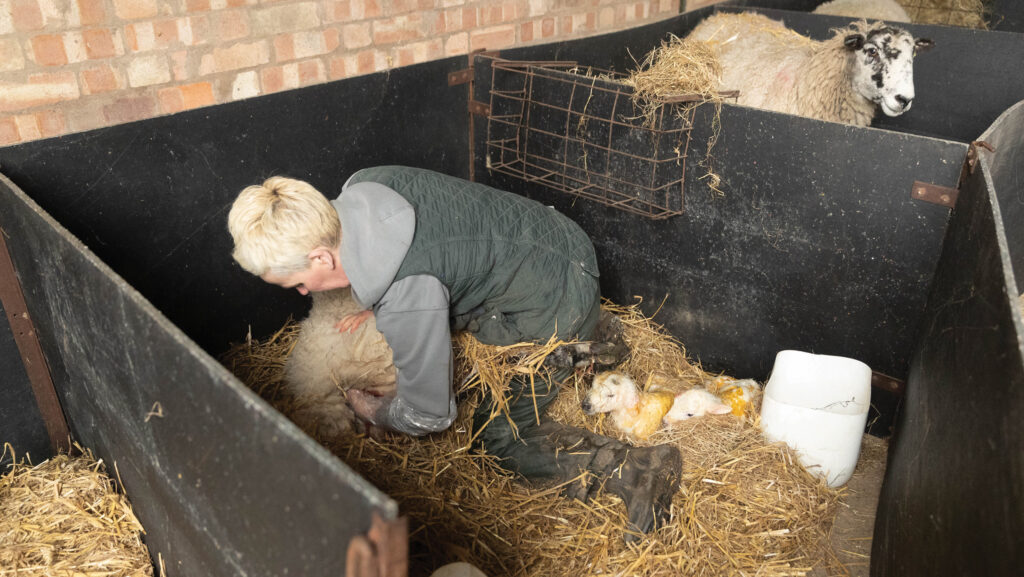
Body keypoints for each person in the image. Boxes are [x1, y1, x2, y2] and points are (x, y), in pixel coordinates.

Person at [227, 165, 681, 541]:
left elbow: (429, 415)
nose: (305, 292)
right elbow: (435, 255)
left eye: (299, 283)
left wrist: (376, 409)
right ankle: (595, 341)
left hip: (555, 298)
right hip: (557, 237)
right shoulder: (361, 186)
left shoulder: (408, 295)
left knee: (499, 439)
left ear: (322, 258)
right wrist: (387, 303)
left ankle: (636, 469)